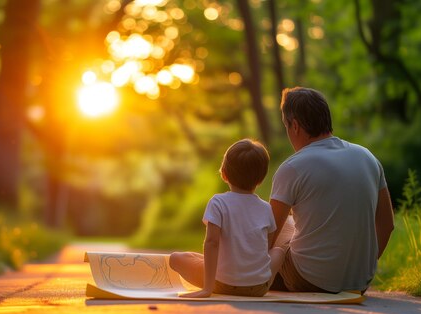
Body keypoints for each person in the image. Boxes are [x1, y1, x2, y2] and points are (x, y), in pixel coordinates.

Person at [269, 87, 395, 294]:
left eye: (286, 126)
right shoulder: (368, 158)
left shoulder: (292, 167)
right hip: (359, 282)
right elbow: (387, 224)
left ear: (295, 125)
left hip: (307, 278)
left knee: (281, 226)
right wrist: (362, 267)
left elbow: (268, 236)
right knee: (291, 223)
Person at [169, 139, 284, 298]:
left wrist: (207, 289)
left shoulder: (218, 203)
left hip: (222, 284)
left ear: (224, 173)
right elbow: (266, 248)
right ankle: (254, 279)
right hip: (259, 288)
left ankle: (213, 283)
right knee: (278, 251)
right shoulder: (266, 208)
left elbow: (212, 243)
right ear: (261, 179)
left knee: (176, 258)